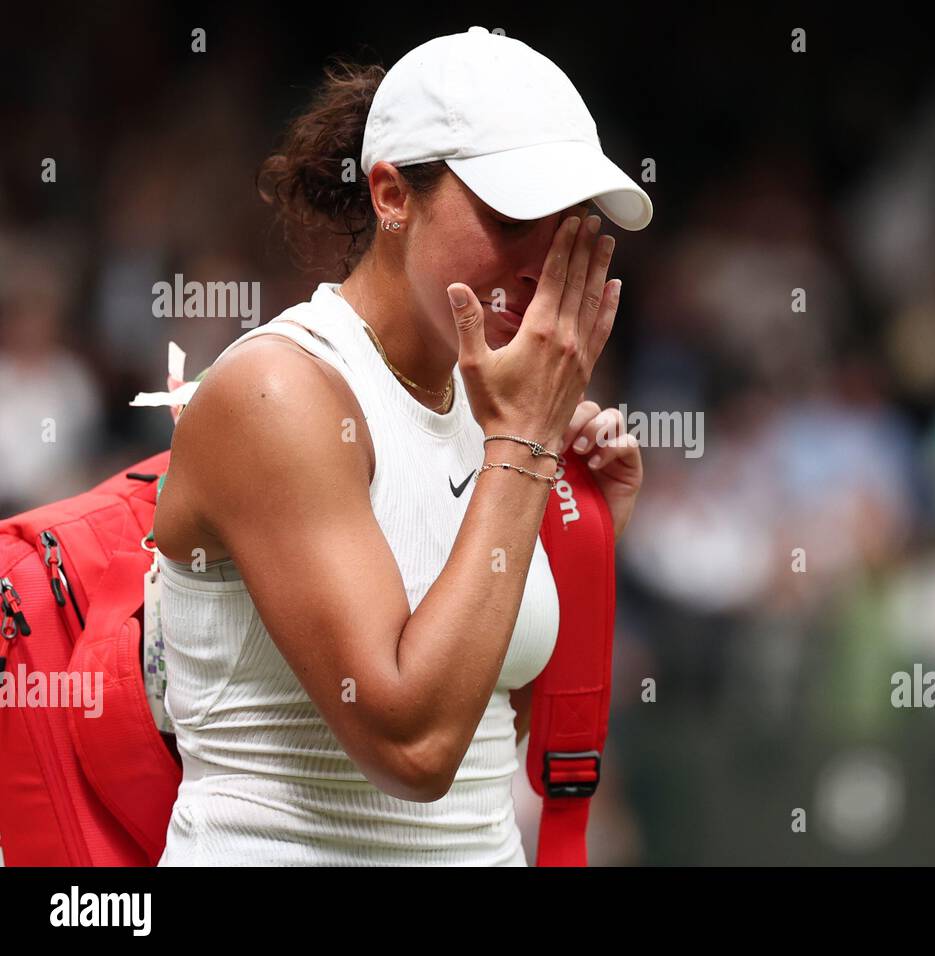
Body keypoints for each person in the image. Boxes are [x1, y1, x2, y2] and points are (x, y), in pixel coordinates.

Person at [152, 26, 651, 865]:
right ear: (391, 195)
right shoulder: (277, 393)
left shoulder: (497, 404)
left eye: (570, 219)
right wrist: (523, 447)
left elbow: (496, 722)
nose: (544, 257)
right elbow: (415, 749)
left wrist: (587, 536)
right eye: (512, 214)